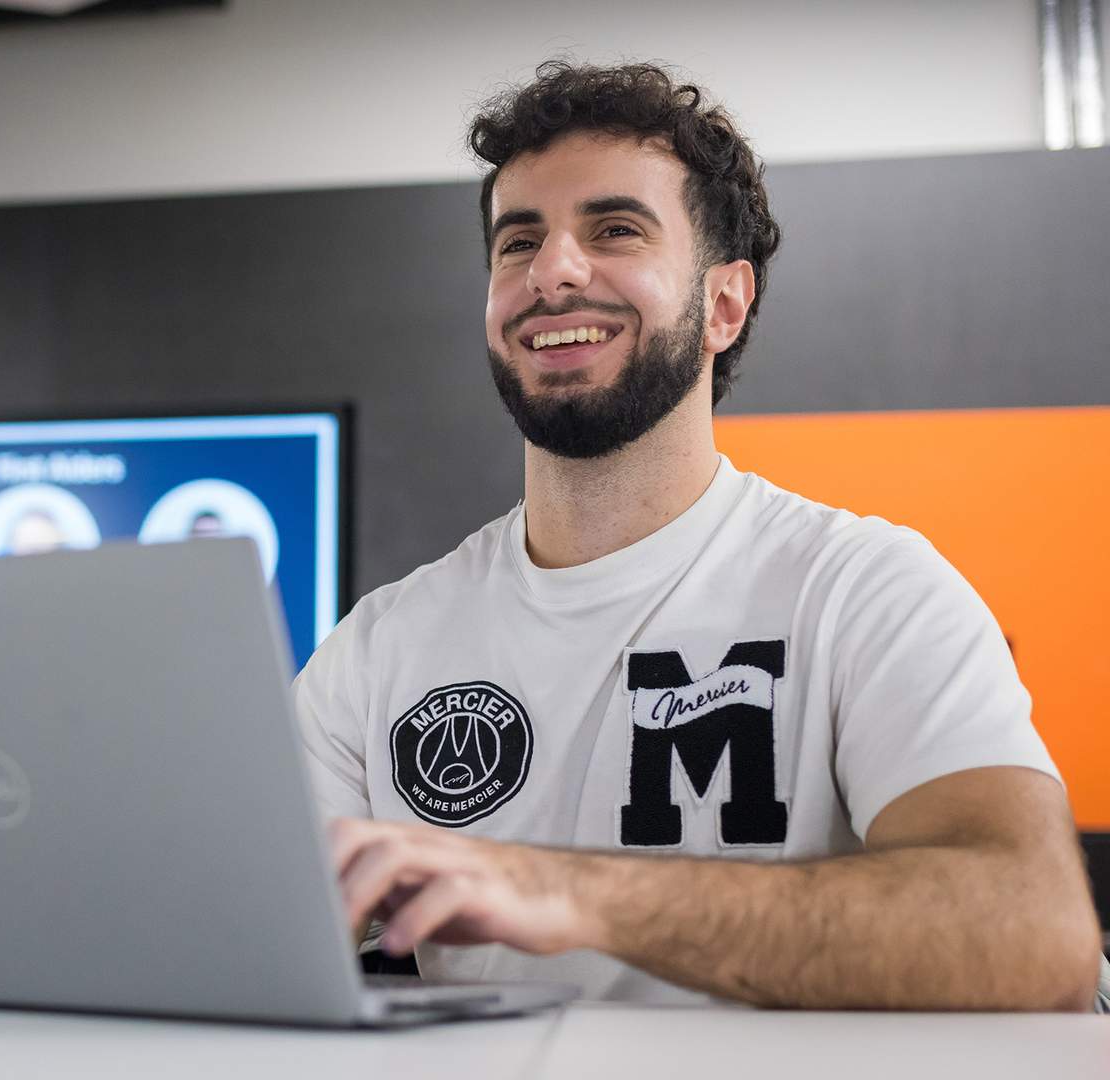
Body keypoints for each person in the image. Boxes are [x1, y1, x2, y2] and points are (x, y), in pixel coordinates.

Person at [292, 60, 1103, 1011]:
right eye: (519, 243)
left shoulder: (865, 591)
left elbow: (1032, 935)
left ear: (725, 304)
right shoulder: (380, 646)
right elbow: (234, 933)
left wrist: (573, 891)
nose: (551, 269)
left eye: (614, 230)